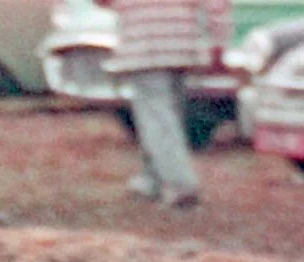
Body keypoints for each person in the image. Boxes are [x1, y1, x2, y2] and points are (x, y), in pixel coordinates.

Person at [96, 0, 231, 208]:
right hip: (181, 45)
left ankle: (180, 186)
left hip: (143, 45)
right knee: (169, 116)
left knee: (157, 119)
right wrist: (218, 42)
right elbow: (217, 5)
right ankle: (152, 179)